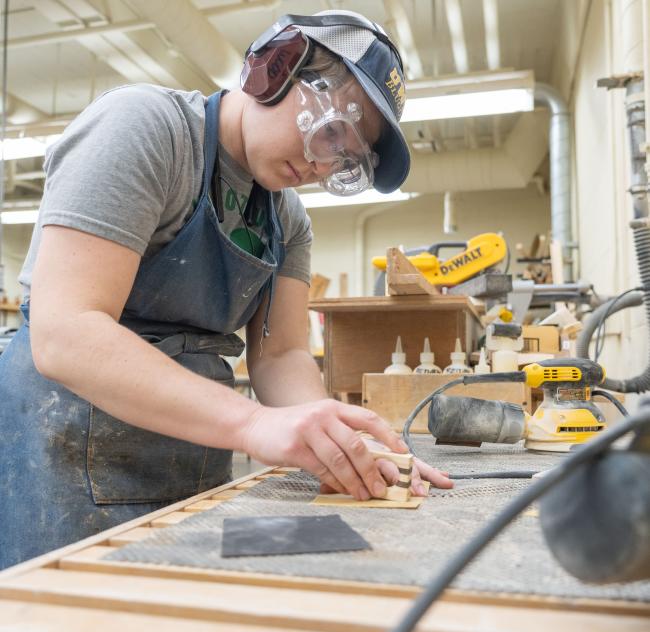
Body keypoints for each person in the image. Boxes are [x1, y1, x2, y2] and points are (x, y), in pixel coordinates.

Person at [0, 10, 452, 570]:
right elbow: (65, 331)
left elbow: (283, 354)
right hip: (64, 459)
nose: (320, 162)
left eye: (344, 155)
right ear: (275, 68)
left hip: (191, 459)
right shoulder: (146, 128)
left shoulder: (287, 220)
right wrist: (254, 424)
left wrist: (341, 447)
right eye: (329, 130)